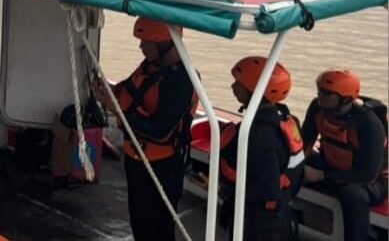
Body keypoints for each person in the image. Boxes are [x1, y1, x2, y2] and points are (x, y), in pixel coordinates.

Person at [97, 17, 197, 241]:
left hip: (161, 167)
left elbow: (161, 130)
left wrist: (117, 111)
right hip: (137, 160)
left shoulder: (182, 80)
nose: (141, 47)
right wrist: (106, 90)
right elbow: (128, 90)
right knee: (140, 223)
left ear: (163, 43)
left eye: (145, 42)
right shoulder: (150, 67)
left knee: (157, 229)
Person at [217, 57, 304, 241]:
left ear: (252, 89)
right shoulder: (282, 117)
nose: (233, 87)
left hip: (261, 222)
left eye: (238, 83)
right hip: (273, 217)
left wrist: (222, 190)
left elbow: (267, 188)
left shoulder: (262, 134)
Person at [301, 69, 388, 241]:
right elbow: (305, 142)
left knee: (353, 195)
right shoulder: (317, 108)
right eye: (319, 90)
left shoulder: (368, 124)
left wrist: (321, 175)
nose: (320, 96)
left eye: (326, 93)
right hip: (331, 165)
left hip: (371, 180)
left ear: (345, 98)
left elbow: (367, 173)